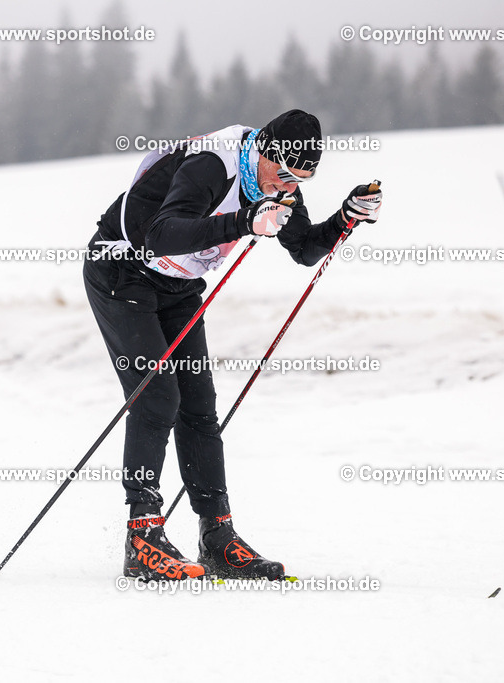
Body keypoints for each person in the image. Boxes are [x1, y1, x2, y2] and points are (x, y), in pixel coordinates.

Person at [83, 109, 382, 581]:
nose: (286, 187)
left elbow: (303, 248)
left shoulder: (277, 182)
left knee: (199, 406)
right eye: (283, 174)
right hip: (122, 269)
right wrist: (244, 221)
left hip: (177, 285)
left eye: (299, 180)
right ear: (262, 149)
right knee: (157, 395)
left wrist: (345, 218)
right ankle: (141, 533)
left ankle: (217, 537)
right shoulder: (212, 165)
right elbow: (163, 233)